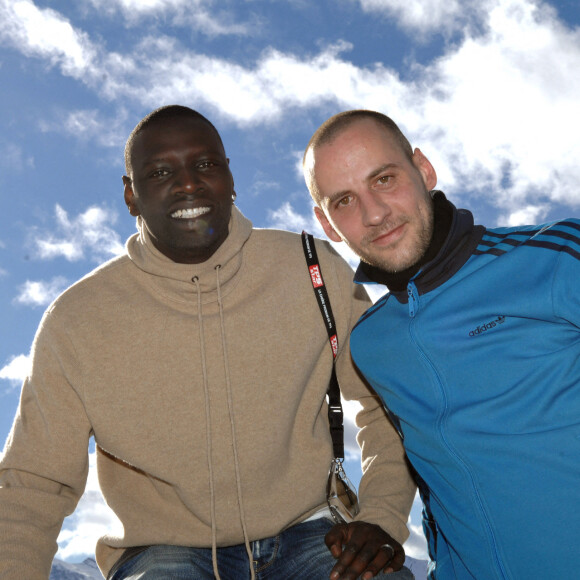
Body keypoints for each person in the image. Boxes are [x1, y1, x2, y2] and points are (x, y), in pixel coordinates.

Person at [0, 106, 417, 580]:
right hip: (162, 553)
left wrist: (380, 517)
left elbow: (387, 405)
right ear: (130, 195)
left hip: (314, 535)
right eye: (160, 171)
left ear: (230, 177)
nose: (188, 184)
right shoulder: (75, 321)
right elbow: (32, 485)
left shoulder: (311, 268)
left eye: (205, 165)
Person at [302, 109, 580, 579]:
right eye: (344, 201)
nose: (374, 214)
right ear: (328, 225)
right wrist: (376, 519)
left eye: (385, 179)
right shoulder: (370, 342)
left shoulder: (556, 256)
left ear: (423, 170)